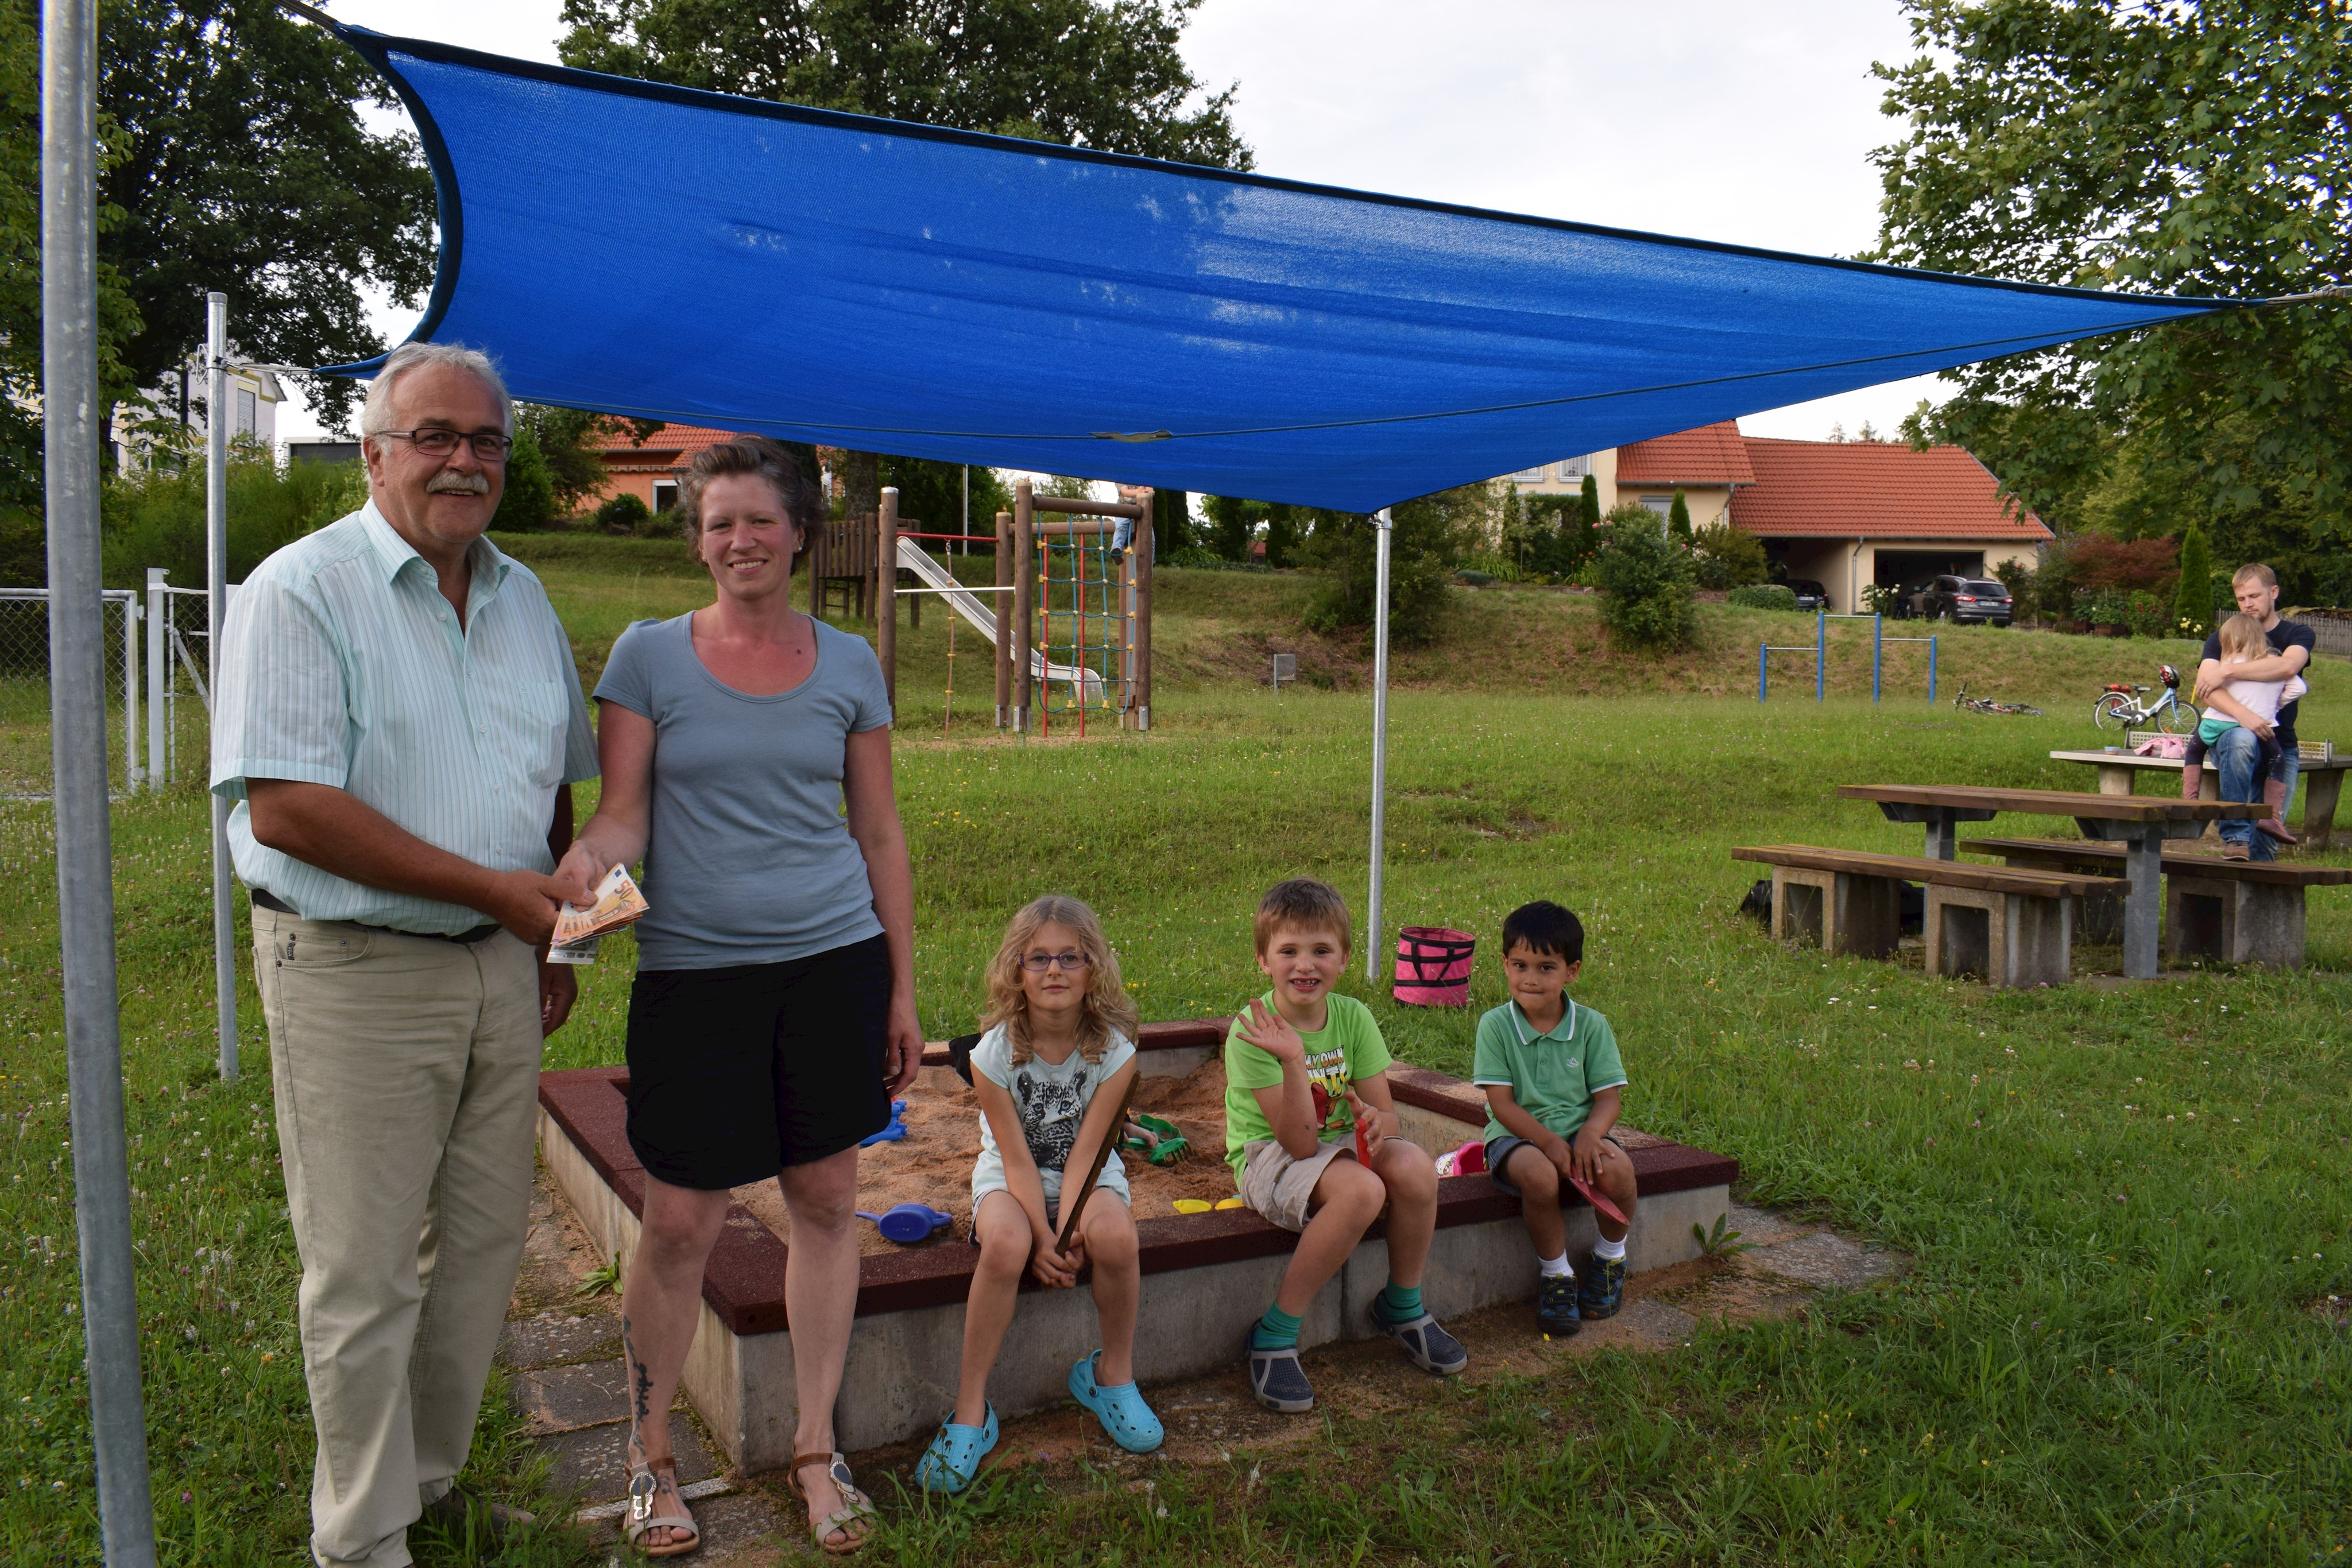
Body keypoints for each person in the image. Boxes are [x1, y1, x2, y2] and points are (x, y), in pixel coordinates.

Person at [211, 340, 600, 1567]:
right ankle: (363, 1538)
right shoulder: (299, 588)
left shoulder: (523, 594)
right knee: (365, 1270)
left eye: (485, 441)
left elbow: (551, 785)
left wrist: (557, 941)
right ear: (374, 453)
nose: (463, 461)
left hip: (500, 966)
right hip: (354, 971)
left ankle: (424, 1482)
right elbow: (288, 808)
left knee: (481, 1251)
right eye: (435, 437)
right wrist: (498, 892)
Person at [555, 437, 921, 1557]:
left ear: (801, 532)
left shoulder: (851, 661)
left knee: (822, 1201)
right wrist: (585, 863)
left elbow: (876, 830)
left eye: (759, 521)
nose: (738, 540)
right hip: (695, 978)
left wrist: (901, 988)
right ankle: (648, 1452)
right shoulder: (648, 657)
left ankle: (815, 1449)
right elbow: (625, 814)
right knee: (677, 1223)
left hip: (833, 967)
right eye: (718, 523)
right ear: (699, 538)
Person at [916, 896, 1162, 1493]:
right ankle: (971, 1411)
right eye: (1039, 958)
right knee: (1004, 1243)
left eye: (1070, 957)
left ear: (1093, 968)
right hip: (1010, 1176)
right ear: (1016, 971)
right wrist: (1042, 1239)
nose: (1055, 970)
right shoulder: (991, 1054)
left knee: (1115, 1235)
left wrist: (1072, 1224)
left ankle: (1112, 1377)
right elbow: (1017, 1157)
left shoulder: (1117, 1054)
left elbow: (1087, 1153)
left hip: (1089, 1175)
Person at [1224, 877, 1465, 1413]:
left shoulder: (1353, 1017)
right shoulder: (1254, 1030)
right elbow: (1297, 1142)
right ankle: (1275, 1332)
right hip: (1271, 1154)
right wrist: (1292, 1060)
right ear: (1264, 959)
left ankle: (1402, 1304)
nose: (1304, 965)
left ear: (1345, 958)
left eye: (1321, 950)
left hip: (1332, 1143)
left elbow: (1387, 1113)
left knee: (1416, 1168)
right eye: (1288, 950)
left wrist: (1379, 1125)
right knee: (1361, 1192)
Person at [1471, 901, 1637, 1338]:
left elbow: (1608, 1100)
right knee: (1540, 1176)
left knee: (1619, 1169)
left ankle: (1609, 1258)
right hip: (1516, 1137)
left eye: (1546, 967)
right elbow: (1502, 1105)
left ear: (1572, 971)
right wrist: (1548, 1143)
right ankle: (1557, 1274)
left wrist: (1589, 1134)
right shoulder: (1495, 1026)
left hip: (1580, 1134)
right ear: (1504, 964)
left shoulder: (1592, 1026)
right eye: (1520, 964)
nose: (1530, 978)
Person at [2195, 564, 2314, 860]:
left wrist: (2227, 671)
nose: (2247, 604)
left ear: (2273, 593)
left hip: (2279, 745)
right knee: (2242, 739)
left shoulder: (2297, 633)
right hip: (2232, 740)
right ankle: (2234, 837)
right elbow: (2205, 688)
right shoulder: (2222, 637)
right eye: (2241, 598)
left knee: (2265, 840)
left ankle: (2255, 905)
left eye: (2254, 596)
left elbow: (2287, 666)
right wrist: (2244, 716)